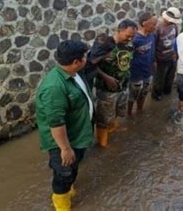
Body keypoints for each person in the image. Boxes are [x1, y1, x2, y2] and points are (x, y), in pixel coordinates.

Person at [35, 40, 94, 211]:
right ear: (76, 61)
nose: (86, 60)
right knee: (64, 173)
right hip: (64, 141)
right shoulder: (55, 87)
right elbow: (56, 123)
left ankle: (68, 190)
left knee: (72, 168)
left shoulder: (74, 73)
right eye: (84, 57)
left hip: (77, 133)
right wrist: (65, 149)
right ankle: (61, 203)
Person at [94, 19, 137, 148]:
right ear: (119, 30)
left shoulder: (129, 45)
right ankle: (102, 144)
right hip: (106, 89)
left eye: (132, 36)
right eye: (127, 35)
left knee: (118, 112)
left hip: (123, 86)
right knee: (103, 118)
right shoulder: (104, 44)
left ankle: (112, 130)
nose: (130, 39)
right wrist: (106, 77)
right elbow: (91, 64)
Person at [128, 13, 157, 116]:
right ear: (144, 23)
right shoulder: (135, 39)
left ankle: (140, 111)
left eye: (155, 24)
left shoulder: (152, 35)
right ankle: (129, 115)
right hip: (135, 73)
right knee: (132, 96)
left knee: (144, 93)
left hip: (147, 71)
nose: (155, 26)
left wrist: (153, 62)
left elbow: (152, 50)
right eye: (153, 24)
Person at [152, 7, 181, 101]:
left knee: (170, 76)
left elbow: (176, 39)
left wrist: (176, 53)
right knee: (159, 79)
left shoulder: (174, 26)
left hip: (171, 56)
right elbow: (153, 45)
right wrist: (154, 60)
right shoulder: (157, 28)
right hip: (160, 58)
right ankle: (156, 95)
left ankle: (167, 91)